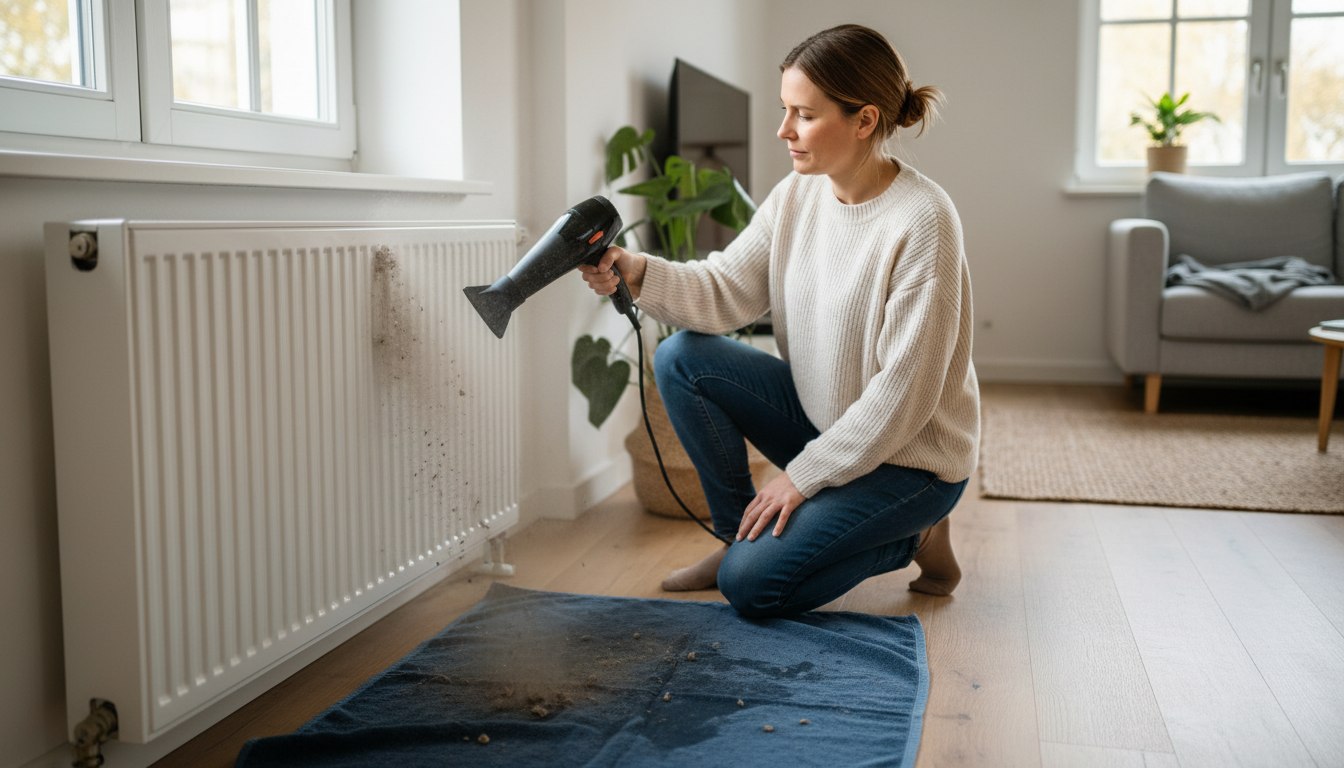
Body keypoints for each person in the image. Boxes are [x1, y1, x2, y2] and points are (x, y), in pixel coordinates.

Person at [578, 23, 979, 618]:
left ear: (865, 120)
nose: (784, 130)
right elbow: (727, 287)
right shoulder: (799, 193)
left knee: (751, 585)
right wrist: (637, 271)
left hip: (910, 461)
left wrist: (801, 476)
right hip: (830, 425)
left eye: (804, 115)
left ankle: (915, 537)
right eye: (784, 109)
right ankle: (735, 536)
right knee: (681, 357)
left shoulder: (924, 221)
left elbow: (901, 398)